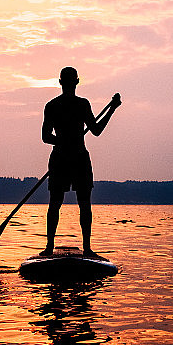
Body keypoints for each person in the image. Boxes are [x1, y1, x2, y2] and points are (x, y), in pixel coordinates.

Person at [40, 66, 121, 257]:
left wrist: (111, 109)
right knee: (57, 203)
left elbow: (95, 130)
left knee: (81, 204)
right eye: (69, 81)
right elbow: (45, 136)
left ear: (65, 82)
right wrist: (63, 141)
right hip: (63, 158)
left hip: (77, 158)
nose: (69, 84)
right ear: (74, 82)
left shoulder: (80, 105)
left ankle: (86, 248)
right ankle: (51, 247)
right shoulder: (53, 106)